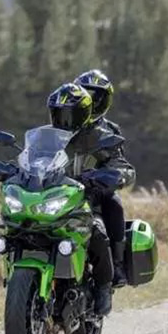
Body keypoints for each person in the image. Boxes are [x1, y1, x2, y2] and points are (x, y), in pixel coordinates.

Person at [46, 83, 117, 316]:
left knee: (97, 232)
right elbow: (30, 159)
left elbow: (120, 164)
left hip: (84, 200)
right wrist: (12, 170)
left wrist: (110, 174)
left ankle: (104, 287)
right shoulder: (48, 138)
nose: (63, 120)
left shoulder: (97, 137)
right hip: (52, 199)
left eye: (69, 115)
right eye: (58, 114)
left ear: (83, 114)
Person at [73, 70, 135, 289]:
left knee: (114, 205)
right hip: (63, 189)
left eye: (96, 96)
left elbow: (119, 161)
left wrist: (112, 176)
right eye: (85, 94)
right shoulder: (64, 123)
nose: (91, 101)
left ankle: (116, 265)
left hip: (96, 189)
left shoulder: (109, 130)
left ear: (104, 100)